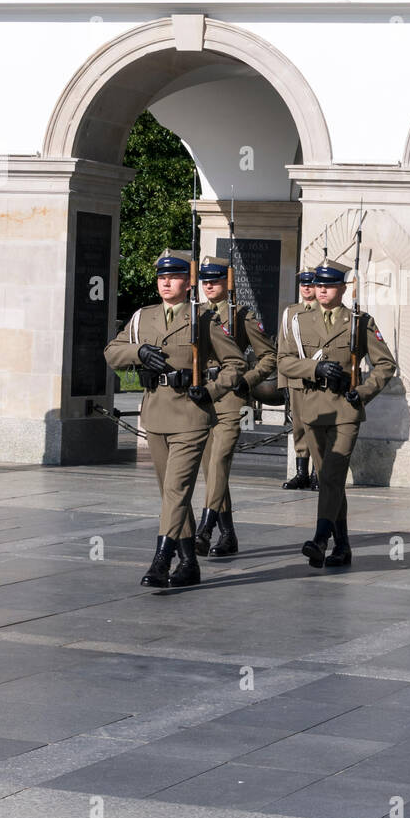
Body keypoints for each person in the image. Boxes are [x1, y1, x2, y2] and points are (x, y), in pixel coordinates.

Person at [104, 249, 246, 588]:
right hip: (155, 413)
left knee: (176, 489)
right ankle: (189, 563)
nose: (166, 282)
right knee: (170, 493)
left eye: (175, 276)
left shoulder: (204, 319)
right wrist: (137, 352)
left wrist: (210, 391)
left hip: (190, 414)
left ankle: (161, 559)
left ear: (188, 282)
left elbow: (236, 364)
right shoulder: (143, 317)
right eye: (161, 277)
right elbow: (111, 352)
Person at [277, 259, 396, 567]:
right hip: (312, 408)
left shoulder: (360, 321)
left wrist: (364, 392)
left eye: (329, 285)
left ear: (343, 288)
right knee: (331, 480)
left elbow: (385, 364)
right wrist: (314, 367)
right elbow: (284, 362)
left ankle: (319, 538)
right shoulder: (297, 320)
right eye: (318, 285)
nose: (322, 290)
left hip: (346, 408)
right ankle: (342, 545)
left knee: (331, 473)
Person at [193, 256, 277, 557]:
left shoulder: (240, 315)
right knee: (212, 470)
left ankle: (205, 528)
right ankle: (228, 535)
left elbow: (269, 356)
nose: (209, 285)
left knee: (218, 462)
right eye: (205, 280)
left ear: (226, 283)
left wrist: (249, 379)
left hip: (231, 396)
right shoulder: (196, 313)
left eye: (214, 280)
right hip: (203, 396)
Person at [278, 269, 319, 492]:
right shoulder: (290, 313)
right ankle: (302, 473)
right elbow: (282, 351)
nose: (306, 287)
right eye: (303, 284)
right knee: (299, 428)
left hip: (318, 381)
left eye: (310, 284)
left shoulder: (324, 314)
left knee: (317, 427)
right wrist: (283, 383)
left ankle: (317, 473)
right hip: (296, 381)